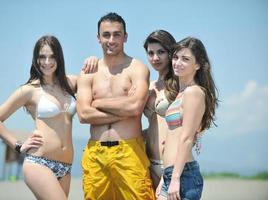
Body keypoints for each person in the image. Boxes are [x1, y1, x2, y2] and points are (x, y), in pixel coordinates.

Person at [0, 35, 96, 200]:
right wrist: (18, 146)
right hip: (39, 163)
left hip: (65, 166)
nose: (47, 61)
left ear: (59, 57)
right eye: (42, 57)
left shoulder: (71, 83)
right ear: (35, 60)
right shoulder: (29, 90)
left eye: (52, 56)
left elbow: (97, 78)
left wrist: (94, 59)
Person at [76, 12, 155, 200]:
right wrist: (124, 111)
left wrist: (99, 103)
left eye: (117, 34)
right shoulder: (89, 72)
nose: (111, 40)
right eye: (106, 35)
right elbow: (84, 114)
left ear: (125, 37)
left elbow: (135, 107)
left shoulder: (137, 68)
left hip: (129, 152)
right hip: (96, 154)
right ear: (98, 38)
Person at [157, 37, 218, 200]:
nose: (177, 63)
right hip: (171, 173)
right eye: (176, 57)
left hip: (183, 175)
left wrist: (175, 178)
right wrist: (165, 177)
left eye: (185, 59)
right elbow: (173, 137)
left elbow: (186, 139)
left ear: (197, 65)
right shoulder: (180, 94)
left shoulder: (194, 92)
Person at [143, 30, 177, 189]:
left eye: (161, 52)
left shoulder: (180, 86)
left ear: (171, 53)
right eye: (151, 53)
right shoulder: (148, 87)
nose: (155, 58)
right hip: (148, 163)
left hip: (173, 165)